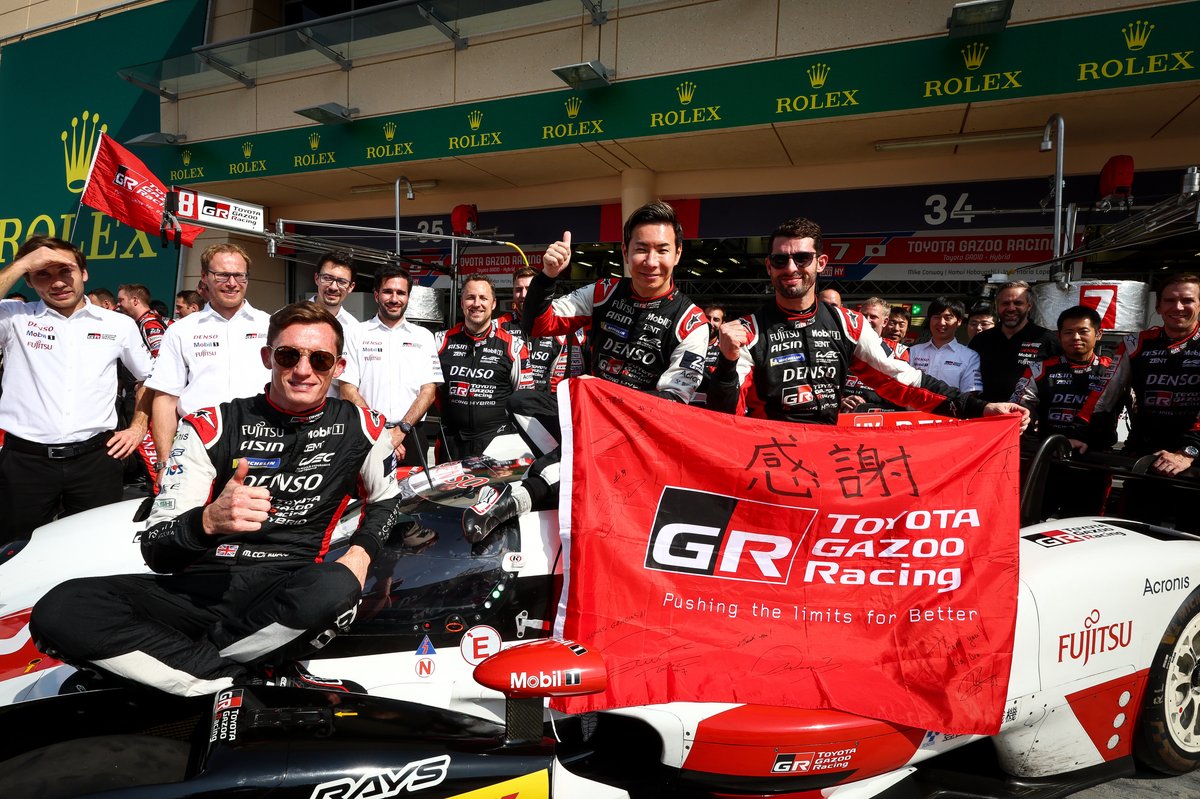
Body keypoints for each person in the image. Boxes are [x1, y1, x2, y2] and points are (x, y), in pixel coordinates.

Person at [30, 302, 401, 697]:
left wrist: (362, 552)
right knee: (61, 608)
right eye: (288, 355)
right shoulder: (212, 425)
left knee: (337, 586)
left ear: (338, 367)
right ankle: (238, 679)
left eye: (320, 359)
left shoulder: (363, 427)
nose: (303, 370)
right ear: (267, 357)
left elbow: (387, 500)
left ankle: (181, 670)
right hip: (199, 589)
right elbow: (158, 551)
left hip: (285, 592)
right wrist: (207, 522)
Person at [466, 200, 709, 541]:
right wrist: (548, 277)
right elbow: (537, 324)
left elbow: (673, 403)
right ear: (625, 251)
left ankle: (519, 497)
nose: (651, 262)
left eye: (662, 250)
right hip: (589, 418)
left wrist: (606, 401)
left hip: (638, 433)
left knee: (573, 454)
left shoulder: (692, 321)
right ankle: (570, 458)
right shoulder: (603, 292)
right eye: (641, 249)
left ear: (678, 254)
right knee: (520, 403)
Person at [706, 218, 1027, 427]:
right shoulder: (747, 330)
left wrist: (980, 409)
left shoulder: (848, 325)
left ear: (820, 263)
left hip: (825, 452)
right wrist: (726, 361)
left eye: (801, 258)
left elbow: (905, 382)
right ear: (768, 266)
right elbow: (724, 416)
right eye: (780, 259)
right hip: (768, 452)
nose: (791, 267)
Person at [0, 237, 153, 543]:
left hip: (97, 461)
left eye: (65, 270)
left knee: (92, 554)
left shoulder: (119, 325)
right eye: (43, 273)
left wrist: (138, 427)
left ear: (84, 273)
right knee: (12, 555)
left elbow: (149, 378)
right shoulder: (13, 317)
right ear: (28, 280)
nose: (57, 282)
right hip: (24, 463)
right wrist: (21, 264)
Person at [147, 243, 271, 469]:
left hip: (262, 444)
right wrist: (164, 462)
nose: (232, 283)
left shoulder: (270, 325)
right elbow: (166, 398)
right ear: (204, 277)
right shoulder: (181, 330)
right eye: (222, 275)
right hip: (198, 446)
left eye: (239, 275)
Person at [1080, 274, 1200, 475]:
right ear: (1158, 307)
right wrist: (1081, 434)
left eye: (1187, 300)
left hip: (1192, 460)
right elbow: (1104, 395)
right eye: (1169, 300)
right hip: (1144, 455)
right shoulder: (1135, 343)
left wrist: (1188, 452)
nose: (1178, 307)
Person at [1012, 305, 1117, 518]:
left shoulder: (1113, 370)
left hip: (1093, 464)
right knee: (1033, 523)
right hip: (1049, 460)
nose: (1075, 337)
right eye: (1068, 332)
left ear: (1098, 334)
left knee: (1087, 528)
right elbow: (1019, 406)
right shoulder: (1039, 369)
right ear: (1059, 336)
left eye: (1083, 331)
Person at [339, 264, 441, 467]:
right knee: (367, 498)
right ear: (376, 295)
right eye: (387, 291)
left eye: (401, 293)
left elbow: (429, 391)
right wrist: (381, 433)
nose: (394, 299)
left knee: (413, 498)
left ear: (408, 297)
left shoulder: (423, 336)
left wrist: (401, 430)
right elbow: (347, 388)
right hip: (367, 435)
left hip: (411, 434)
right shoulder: (355, 333)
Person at [436, 275, 532, 458]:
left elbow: (524, 402)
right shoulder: (441, 341)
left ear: (493, 303)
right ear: (462, 302)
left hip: (497, 443)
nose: (476, 303)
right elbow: (432, 392)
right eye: (470, 297)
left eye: (483, 298)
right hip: (452, 443)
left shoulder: (515, 346)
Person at [497, 265, 586, 393]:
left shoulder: (557, 325)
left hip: (544, 403)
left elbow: (561, 375)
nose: (523, 295)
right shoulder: (500, 326)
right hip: (509, 402)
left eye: (529, 289)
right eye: (518, 289)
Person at [969, 281, 1061, 402]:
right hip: (986, 415)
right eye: (1005, 303)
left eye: (1018, 303)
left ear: (1029, 305)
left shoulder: (1047, 340)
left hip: (1029, 417)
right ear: (997, 306)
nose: (1011, 308)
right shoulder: (980, 340)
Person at [118, 283, 170, 480]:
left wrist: (147, 383)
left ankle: (157, 482)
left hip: (150, 393)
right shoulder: (142, 322)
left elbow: (160, 359)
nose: (119, 304)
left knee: (147, 439)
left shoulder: (149, 323)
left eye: (122, 299)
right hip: (146, 390)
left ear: (135, 300)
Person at [842, 297, 907, 412]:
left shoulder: (898, 352)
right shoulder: (843, 345)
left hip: (876, 418)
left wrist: (866, 397)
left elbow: (900, 391)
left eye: (873, 317)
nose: (867, 320)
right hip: (840, 414)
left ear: (885, 322)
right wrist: (839, 400)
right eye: (864, 315)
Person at [908, 297, 982, 393]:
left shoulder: (970, 356)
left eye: (948, 318)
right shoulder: (913, 351)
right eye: (936, 317)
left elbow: (971, 394)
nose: (941, 322)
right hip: (915, 407)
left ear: (959, 321)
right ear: (929, 320)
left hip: (951, 408)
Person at [311, 251, 359, 329]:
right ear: (317, 278)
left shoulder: (354, 328)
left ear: (351, 287)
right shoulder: (290, 316)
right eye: (327, 278)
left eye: (342, 282)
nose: (333, 287)